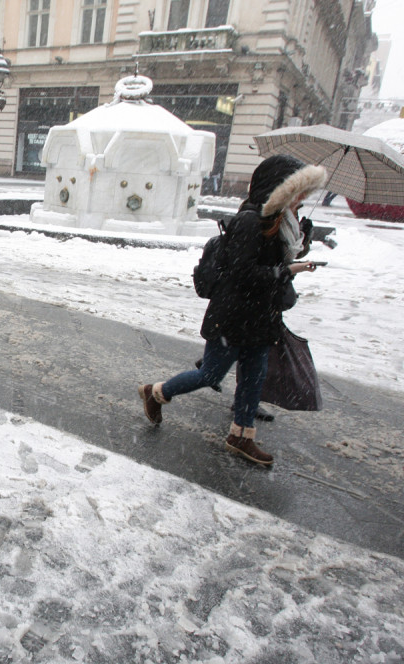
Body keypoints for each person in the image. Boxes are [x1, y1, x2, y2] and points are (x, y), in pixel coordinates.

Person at [138, 154, 326, 466]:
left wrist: (300, 243)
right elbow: (243, 274)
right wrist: (288, 269)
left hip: (260, 319)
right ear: (278, 190)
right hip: (233, 318)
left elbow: (269, 262)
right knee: (211, 373)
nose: (302, 199)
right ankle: (155, 392)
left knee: (254, 377)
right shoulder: (250, 222)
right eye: (298, 192)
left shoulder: (280, 222)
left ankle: (241, 436)